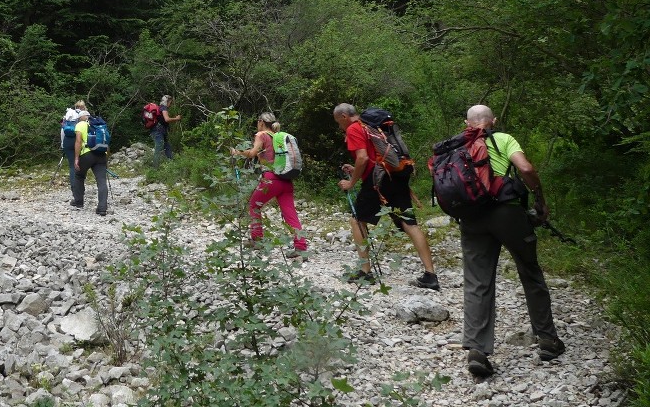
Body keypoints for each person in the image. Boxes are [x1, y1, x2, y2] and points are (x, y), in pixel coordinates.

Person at [457, 104, 564, 378]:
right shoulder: (502, 138)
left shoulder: (457, 146)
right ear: (493, 121)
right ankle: (548, 341)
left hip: (471, 216)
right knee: (530, 271)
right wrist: (539, 197)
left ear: (467, 123)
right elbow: (525, 168)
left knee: (478, 281)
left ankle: (478, 351)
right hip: (507, 213)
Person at [333, 102, 439, 289]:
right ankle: (430, 275)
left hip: (378, 181)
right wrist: (357, 170)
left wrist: (351, 182)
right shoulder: (373, 127)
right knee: (409, 223)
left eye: (339, 122)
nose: (340, 127)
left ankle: (365, 272)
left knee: (357, 220)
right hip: (396, 176)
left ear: (343, 117)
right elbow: (368, 158)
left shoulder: (354, 128)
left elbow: (363, 158)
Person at [231, 112, 308, 258]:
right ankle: (301, 247)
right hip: (286, 180)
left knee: (254, 205)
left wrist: (237, 152)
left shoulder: (261, 135)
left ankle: (257, 239)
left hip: (271, 179)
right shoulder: (277, 136)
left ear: (261, 122)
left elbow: (253, 153)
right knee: (290, 213)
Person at [70, 109, 109, 216]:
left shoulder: (80, 124)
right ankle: (102, 208)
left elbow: (78, 142)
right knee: (101, 181)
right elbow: (106, 142)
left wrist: (76, 158)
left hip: (87, 154)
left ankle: (78, 202)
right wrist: (106, 158)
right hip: (101, 155)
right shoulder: (100, 124)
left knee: (79, 175)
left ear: (81, 117)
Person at [60, 100, 87, 190]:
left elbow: (63, 131)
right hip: (79, 141)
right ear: (83, 107)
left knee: (72, 165)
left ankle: (73, 187)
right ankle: (80, 187)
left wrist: (62, 144)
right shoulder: (85, 116)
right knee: (80, 164)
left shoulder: (69, 114)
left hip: (67, 141)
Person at [150, 94, 181, 166]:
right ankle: (155, 168)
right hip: (159, 131)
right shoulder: (163, 108)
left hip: (159, 130)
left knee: (167, 146)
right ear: (167, 101)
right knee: (159, 147)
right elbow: (167, 119)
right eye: (170, 102)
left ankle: (172, 164)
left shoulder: (160, 108)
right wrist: (177, 118)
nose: (170, 104)